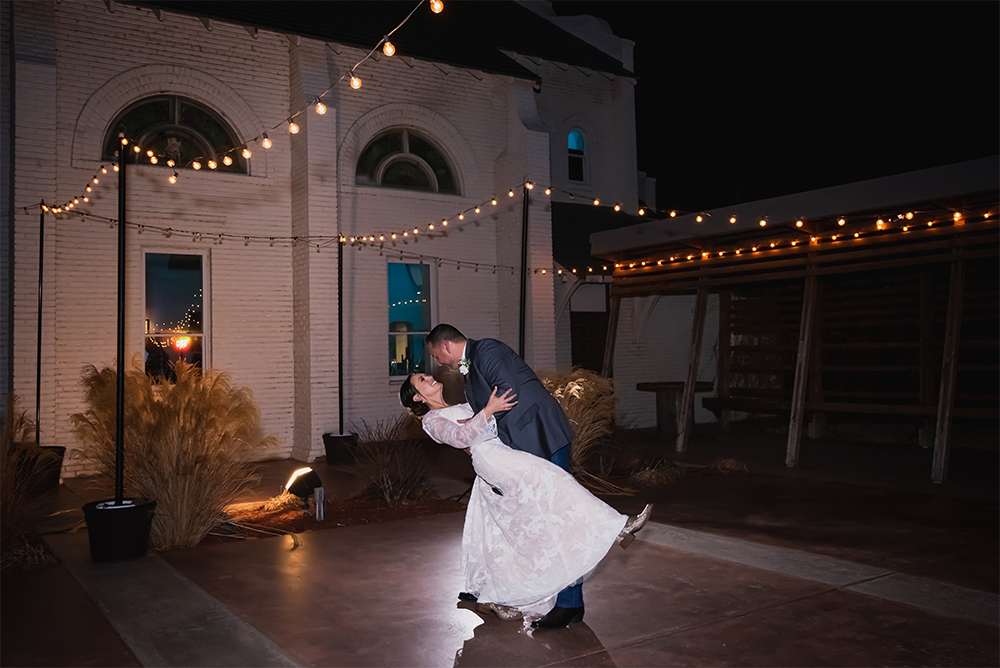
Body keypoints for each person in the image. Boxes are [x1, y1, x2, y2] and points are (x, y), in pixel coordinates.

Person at [400, 373, 652, 625]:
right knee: (554, 477)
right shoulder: (431, 420)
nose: (430, 376)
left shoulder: (461, 406)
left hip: (501, 452)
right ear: (418, 397)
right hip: (491, 458)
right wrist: (487, 411)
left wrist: (486, 412)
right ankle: (618, 526)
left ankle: (500, 597)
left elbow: (482, 425)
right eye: (422, 379)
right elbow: (460, 437)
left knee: (515, 534)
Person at [425, 323, 590, 628]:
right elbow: (484, 408)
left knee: (557, 517)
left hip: (542, 436)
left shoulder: (487, 350)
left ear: (445, 346)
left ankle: (570, 602)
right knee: (544, 522)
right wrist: (474, 424)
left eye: (437, 356)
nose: (439, 363)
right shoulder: (468, 368)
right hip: (525, 447)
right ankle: (568, 600)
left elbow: (506, 396)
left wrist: (481, 421)